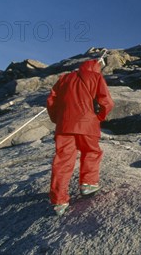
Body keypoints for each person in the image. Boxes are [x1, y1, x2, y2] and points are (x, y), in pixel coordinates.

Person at [47, 58, 114, 216]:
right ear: (96, 68)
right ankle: (88, 184)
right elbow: (107, 102)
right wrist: (99, 117)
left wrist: (58, 119)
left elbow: (51, 101)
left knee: (62, 161)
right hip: (87, 123)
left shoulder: (64, 78)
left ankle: (59, 201)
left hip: (64, 126)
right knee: (91, 152)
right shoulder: (96, 77)